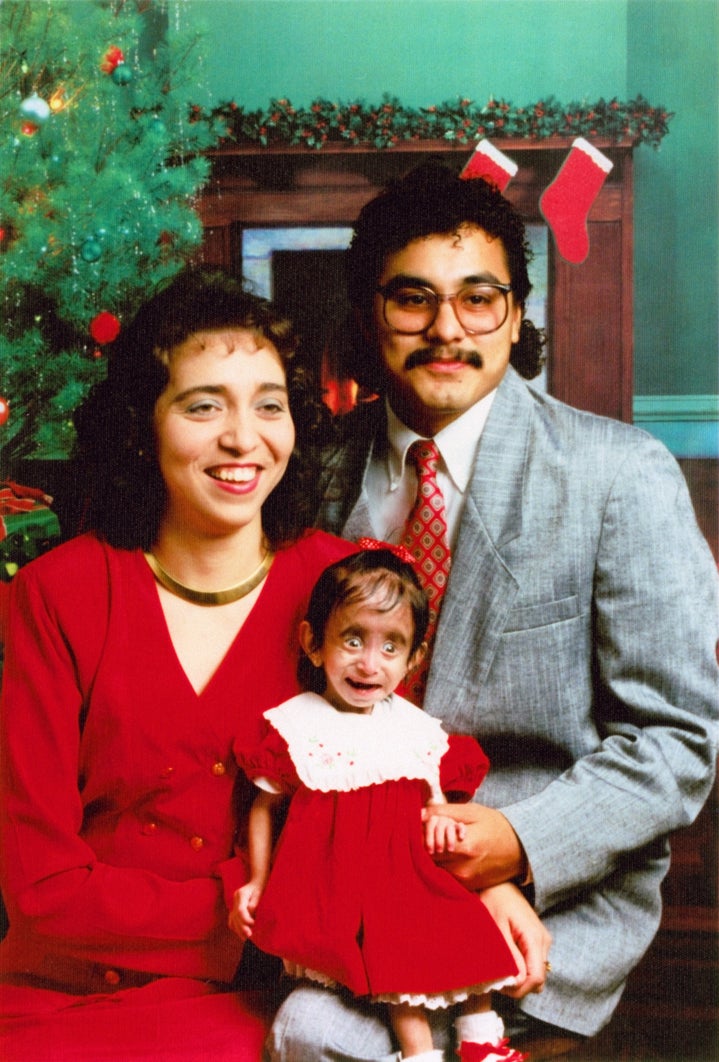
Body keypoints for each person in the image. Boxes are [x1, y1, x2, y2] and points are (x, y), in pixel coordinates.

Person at [266, 162, 719, 1060]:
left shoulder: (616, 475)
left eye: (480, 299)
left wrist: (520, 840)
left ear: (516, 315)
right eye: (412, 300)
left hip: (546, 908)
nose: (447, 330)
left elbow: (678, 741)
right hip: (342, 885)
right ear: (369, 316)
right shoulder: (309, 472)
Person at [0, 269, 359, 1060]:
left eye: (268, 405)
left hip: (272, 998)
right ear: (143, 425)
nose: (243, 438)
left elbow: (374, 826)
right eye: (203, 406)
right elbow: (37, 888)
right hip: (54, 997)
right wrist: (239, 905)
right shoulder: (56, 595)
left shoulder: (346, 593)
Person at [231, 547, 533, 1062]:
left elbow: (437, 799)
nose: (369, 664)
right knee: (394, 966)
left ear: (414, 658)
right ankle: (419, 1056)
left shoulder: (411, 727)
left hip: (409, 873)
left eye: (391, 647)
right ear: (313, 643)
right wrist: (257, 880)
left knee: (468, 929)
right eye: (352, 640)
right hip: (344, 885)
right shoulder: (299, 725)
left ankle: (481, 1035)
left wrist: (439, 819)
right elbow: (264, 807)